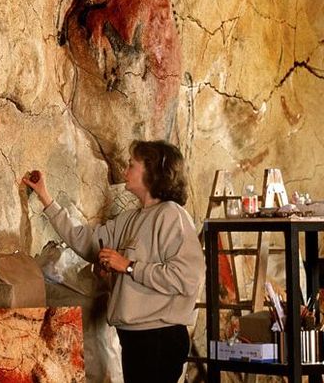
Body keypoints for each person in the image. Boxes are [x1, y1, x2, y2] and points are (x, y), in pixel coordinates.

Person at [22, 140, 205, 383]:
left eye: (132, 165)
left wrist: (128, 266)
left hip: (159, 338)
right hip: (134, 337)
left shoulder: (172, 215)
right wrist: (45, 197)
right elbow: (86, 241)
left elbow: (187, 279)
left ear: (152, 171)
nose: (124, 171)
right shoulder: (129, 219)